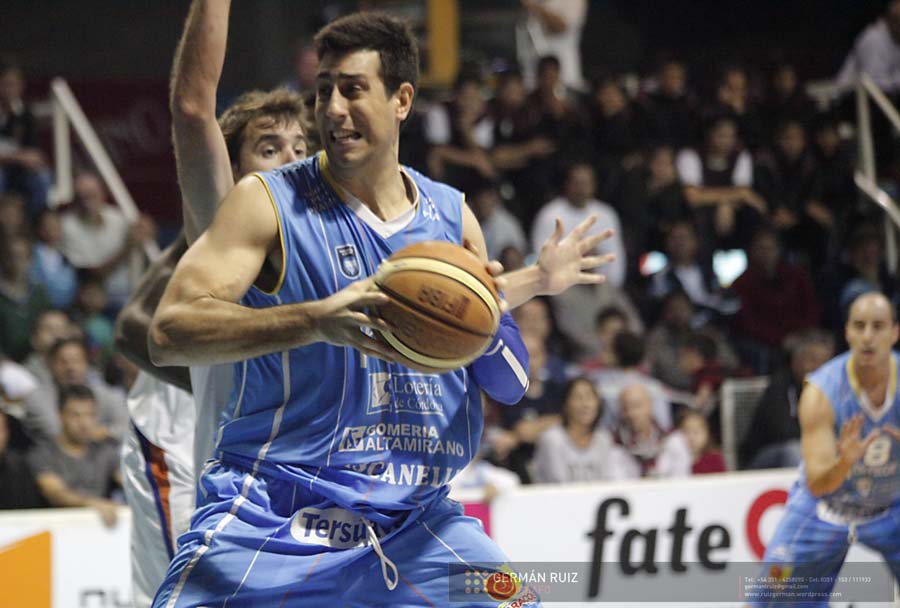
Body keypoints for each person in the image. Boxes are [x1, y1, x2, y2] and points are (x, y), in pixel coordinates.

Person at [149, 12, 611, 607]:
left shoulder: (453, 218)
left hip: (414, 524)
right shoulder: (265, 201)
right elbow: (169, 331)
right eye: (324, 91)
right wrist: (314, 320)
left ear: (402, 101)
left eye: (353, 90)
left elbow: (511, 382)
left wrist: (495, 317)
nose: (334, 109)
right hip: (276, 515)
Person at [113, 2, 310, 606]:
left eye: (301, 146)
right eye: (270, 148)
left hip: (312, 499)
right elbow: (194, 106)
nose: (292, 159)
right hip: (222, 492)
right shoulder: (225, 234)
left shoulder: (338, 241)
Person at [750, 292, 900, 606]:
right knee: (767, 597)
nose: (868, 336)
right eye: (859, 326)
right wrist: (844, 462)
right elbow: (818, 483)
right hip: (825, 509)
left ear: (894, 332)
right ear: (847, 333)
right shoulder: (821, 391)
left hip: (890, 507)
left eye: (878, 326)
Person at [28, 384, 121, 526]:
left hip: (101, 529)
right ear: (60, 416)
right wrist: (93, 504)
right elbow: (56, 494)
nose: (84, 423)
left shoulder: (105, 451)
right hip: (56, 530)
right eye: (75, 415)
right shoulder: (43, 453)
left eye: (90, 415)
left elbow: (128, 481)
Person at [532, 377, 633, 483]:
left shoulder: (603, 438)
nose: (585, 404)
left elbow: (608, 480)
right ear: (565, 404)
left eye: (590, 397)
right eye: (578, 397)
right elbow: (557, 483)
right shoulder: (552, 439)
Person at [679, 410, 726, 474]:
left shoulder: (714, 459)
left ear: (706, 433)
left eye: (696, 432)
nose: (691, 437)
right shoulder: (675, 459)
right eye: (686, 432)